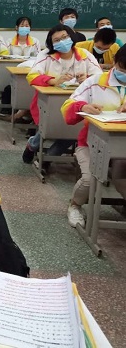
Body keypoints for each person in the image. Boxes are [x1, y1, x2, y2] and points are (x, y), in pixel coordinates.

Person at [61, 46, 126, 228]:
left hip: (122, 146)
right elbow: (67, 107)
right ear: (114, 62)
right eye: (122, 69)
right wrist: (82, 107)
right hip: (91, 142)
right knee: (90, 179)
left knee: (122, 179)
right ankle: (75, 205)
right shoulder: (95, 82)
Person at [22, 24, 102, 164]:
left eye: (65, 37)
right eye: (57, 40)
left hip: (78, 102)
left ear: (71, 36)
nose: (62, 41)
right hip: (51, 102)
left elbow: (99, 78)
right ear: (52, 43)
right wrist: (54, 80)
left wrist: (88, 78)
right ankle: (32, 145)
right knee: (49, 127)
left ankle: (49, 157)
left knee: (73, 129)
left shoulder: (85, 55)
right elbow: (32, 76)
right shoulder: (46, 55)